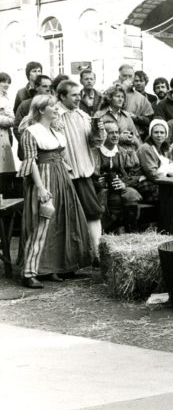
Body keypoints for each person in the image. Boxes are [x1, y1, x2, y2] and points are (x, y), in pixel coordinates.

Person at [18, 95, 92, 288]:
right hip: (44, 177)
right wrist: (41, 188)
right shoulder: (31, 132)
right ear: (42, 110)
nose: (57, 109)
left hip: (61, 177)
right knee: (42, 221)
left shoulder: (56, 131)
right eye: (52, 106)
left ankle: (52, 268)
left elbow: (61, 157)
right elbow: (31, 162)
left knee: (60, 221)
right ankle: (29, 272)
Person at [56, 79, 105, 260]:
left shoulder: (83, 116)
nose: (79, 98)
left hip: (84, 172)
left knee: (92, 212)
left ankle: (98, 255)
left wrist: (97, 131)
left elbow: (94, 143)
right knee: (65, 219)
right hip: (62, 173)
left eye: (80, 95)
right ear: (62, 96)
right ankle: (70, 260)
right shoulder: (53, 116)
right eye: (74, 95)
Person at [97, 121, 143, 233]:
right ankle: (110, 231)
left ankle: (131, 232)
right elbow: (90, 172)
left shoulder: (123, 152)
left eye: (117, 132)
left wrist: (124, 183)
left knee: (131, 194)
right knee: (115, 201)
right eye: (111, 133)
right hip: (101, 189)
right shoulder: (96, 152)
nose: (115, 135)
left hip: (120, 187)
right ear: (104, 135)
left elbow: (135, 173)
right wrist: (98, 181)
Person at [0, 72, 16, 194]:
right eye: (3, 82)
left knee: (5, 170)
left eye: (8, 82)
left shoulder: (6, 97)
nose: (6, 84)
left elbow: (12, 117)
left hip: (5, 136)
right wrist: (9, 119)